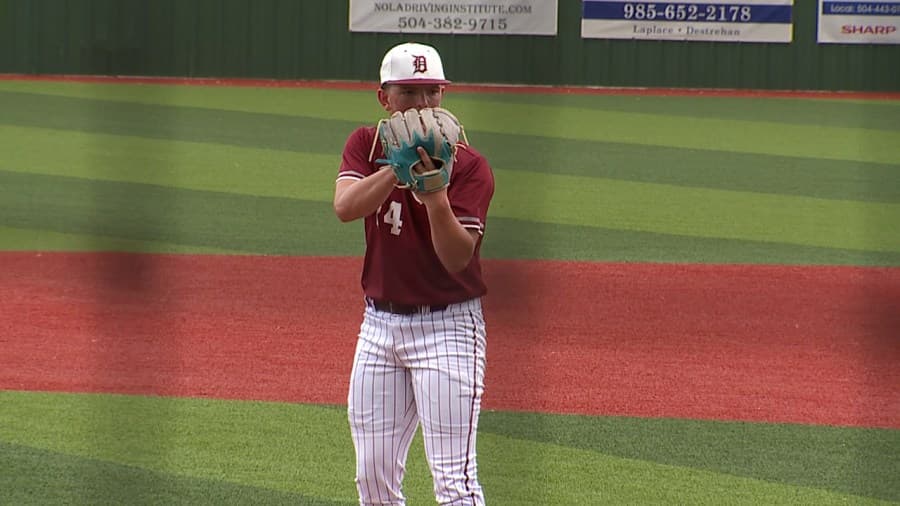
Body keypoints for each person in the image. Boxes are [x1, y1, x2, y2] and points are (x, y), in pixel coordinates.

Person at [333, 42, 495, 506]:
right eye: (410, 93)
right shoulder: (367, 145)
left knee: (454, 481)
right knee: (373, 478)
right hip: (379, 327)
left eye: (432, 93)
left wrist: (435, 193)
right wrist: (395, 172)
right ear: (384, 97)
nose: (423, 105)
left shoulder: (468, 164)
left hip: (448, 329)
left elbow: (457, 257)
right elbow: (345, 207)